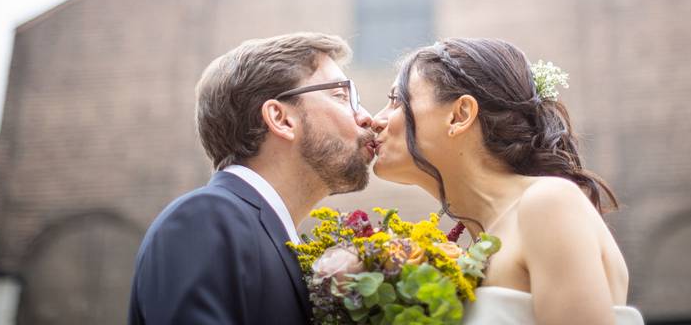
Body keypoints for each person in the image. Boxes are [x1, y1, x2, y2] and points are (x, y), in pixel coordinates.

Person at [371, 38, 644, 325]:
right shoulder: (473, 248)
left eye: (396, 101)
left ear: (459, 115)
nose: (375, 120)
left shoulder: (549, 203)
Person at [128, 32, 377, 324]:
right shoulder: (205, 219)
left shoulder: (276, 241)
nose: (366, 117)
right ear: (281, 119)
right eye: (341, 96)